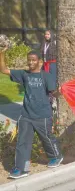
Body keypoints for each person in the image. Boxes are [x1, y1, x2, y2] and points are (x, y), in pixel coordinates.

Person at [0, 49, 63, 179]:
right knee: (22, 142)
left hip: (42, 115)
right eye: (29, 60)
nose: (30, 62)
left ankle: (56, 157)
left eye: (33, 60)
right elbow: (4, 70)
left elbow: (53, 94)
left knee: (46, 138)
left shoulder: (46, 76)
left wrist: (60, 92)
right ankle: (21, 169)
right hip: (26, 115)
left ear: (40, 61)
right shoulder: (24, 74)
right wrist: (2, 53)